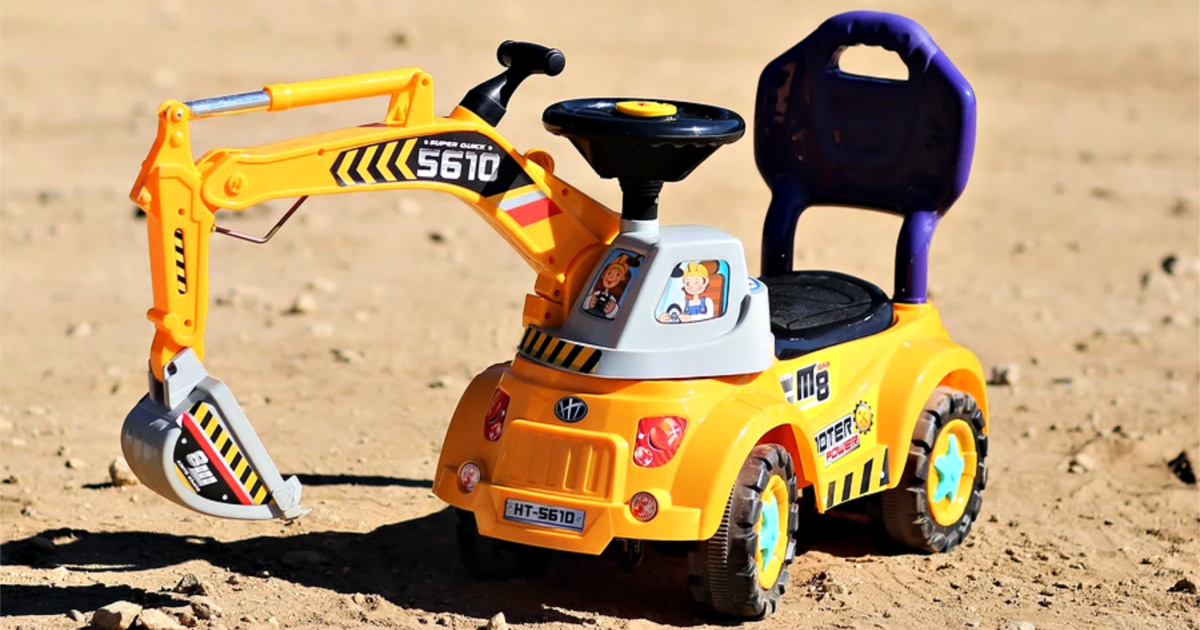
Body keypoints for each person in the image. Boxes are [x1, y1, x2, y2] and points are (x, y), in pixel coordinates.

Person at [585, 254, 632, 319]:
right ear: (603, 275)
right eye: (609, 273)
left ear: (622, 279)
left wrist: (611, 310)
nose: (611, 277)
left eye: (617, 275)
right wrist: (590, 301)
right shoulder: (597, 293)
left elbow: (615, 311)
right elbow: (585, 302)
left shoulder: (613, 299)